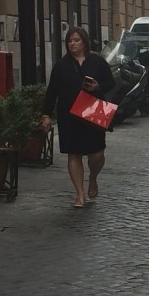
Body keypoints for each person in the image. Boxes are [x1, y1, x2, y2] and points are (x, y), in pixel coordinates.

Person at [41, 27, 114, 207]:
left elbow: (111, 82)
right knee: (74, 154)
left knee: (97, 154)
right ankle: (80, 195)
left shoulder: (97, 61)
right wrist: (46, 114)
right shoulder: (61, 66)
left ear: (84, 42)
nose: (72, 44)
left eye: (76, 40)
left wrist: (97, 86)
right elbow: (52, 91)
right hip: (69, 115)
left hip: (93, 112)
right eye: (69, 41)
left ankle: (93, 177)